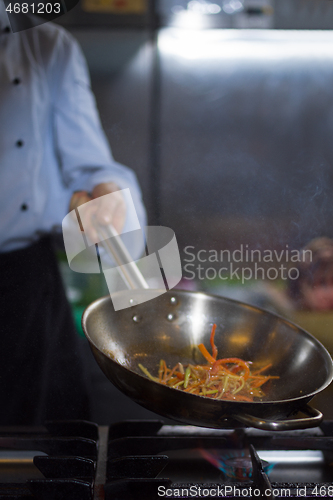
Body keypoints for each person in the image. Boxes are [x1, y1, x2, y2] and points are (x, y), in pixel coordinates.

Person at [0, 2, 146, 424]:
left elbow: (90, 164)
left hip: (23, 289)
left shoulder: (48, 44)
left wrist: (108, 193)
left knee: (46, 457)